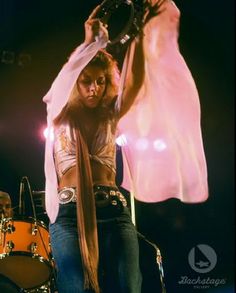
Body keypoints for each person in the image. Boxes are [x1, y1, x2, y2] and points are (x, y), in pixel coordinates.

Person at [43, 0, 208, 292]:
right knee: (75, 287)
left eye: (101, 81)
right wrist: (88, 43)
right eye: (86, 81)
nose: (94, 88)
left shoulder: (110, 115)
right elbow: (63, 80)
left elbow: (134, 83)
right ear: (75, 84)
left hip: (114, 212)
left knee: (128, 287)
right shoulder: (59, 113)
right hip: (69, 215)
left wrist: (144, 35)